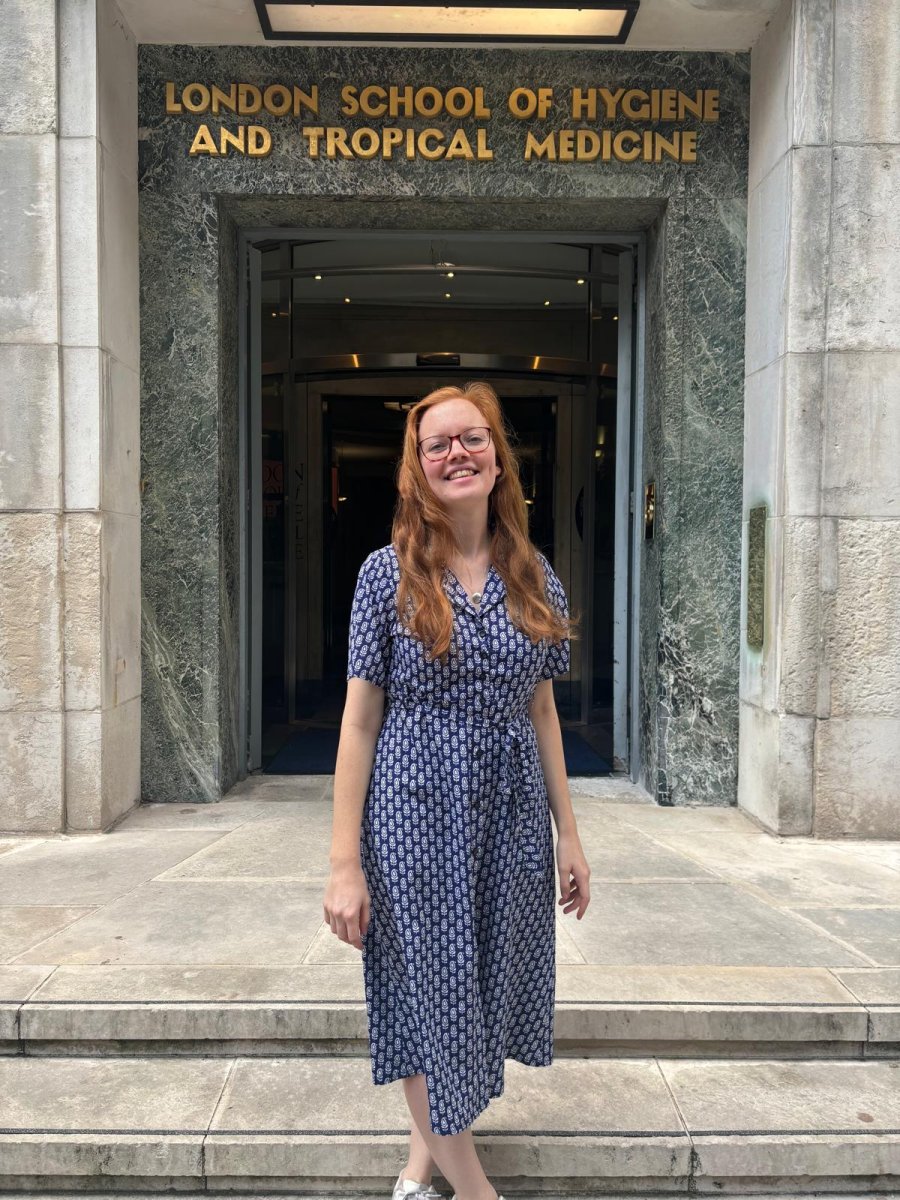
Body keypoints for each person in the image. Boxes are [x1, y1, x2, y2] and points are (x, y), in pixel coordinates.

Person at [323, 381, 591, 1200]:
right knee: (427, 993)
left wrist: (569, 835)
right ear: (418, 467)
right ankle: (474, 1189)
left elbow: (542, 708)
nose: (456, 454)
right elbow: (359, 724)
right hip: (412, 812)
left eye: (471, 439)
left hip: (508, 817)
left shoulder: (533, 572)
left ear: (497, 456)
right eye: (437, 444)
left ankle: (417, 1170)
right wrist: (343, 861)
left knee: (474, 989)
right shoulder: (385, 575)